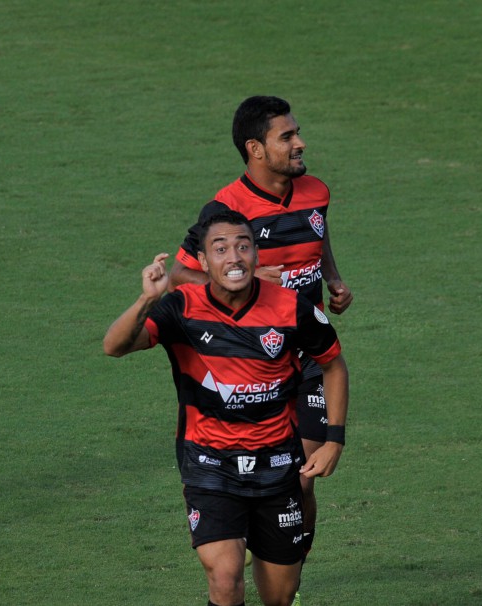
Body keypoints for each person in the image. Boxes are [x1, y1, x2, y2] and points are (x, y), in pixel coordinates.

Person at [104, 211, 349, 606]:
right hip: (209, 465)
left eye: (242, 246)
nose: (233, 257)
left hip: (276, 466)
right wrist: (147, 299)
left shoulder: (291, 308)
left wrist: (334, 439)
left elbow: (333, 363)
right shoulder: (180, 307)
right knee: (225, 576)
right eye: (220, 249)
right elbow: (114, 346)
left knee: (280, 597)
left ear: (255, 255)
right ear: (202, 262)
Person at [168, 96, 353, 573]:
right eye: (287, 137)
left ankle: (290, 560)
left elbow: (317, 231)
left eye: (297, 132)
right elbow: (179, 277)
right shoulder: (226, 208)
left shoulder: (315, 190)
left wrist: (332, 277)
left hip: (309, 358)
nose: (300, 142)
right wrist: (239, 281)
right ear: (255, 148)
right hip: (255, 365)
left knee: (302, 481)